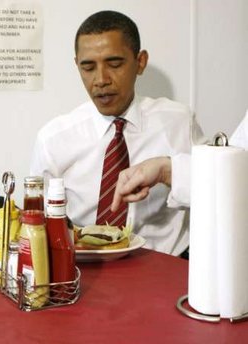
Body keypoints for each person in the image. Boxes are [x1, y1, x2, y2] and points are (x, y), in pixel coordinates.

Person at [30, 10, 205, 256]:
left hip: (166, 264)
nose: (101, 79)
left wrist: (170, 172)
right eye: (88, 67)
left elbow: (218, 192)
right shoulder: (53, 139)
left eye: (114, 64)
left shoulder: (178, 122)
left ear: (140, 62)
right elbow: (38, 222)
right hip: (85, 267)